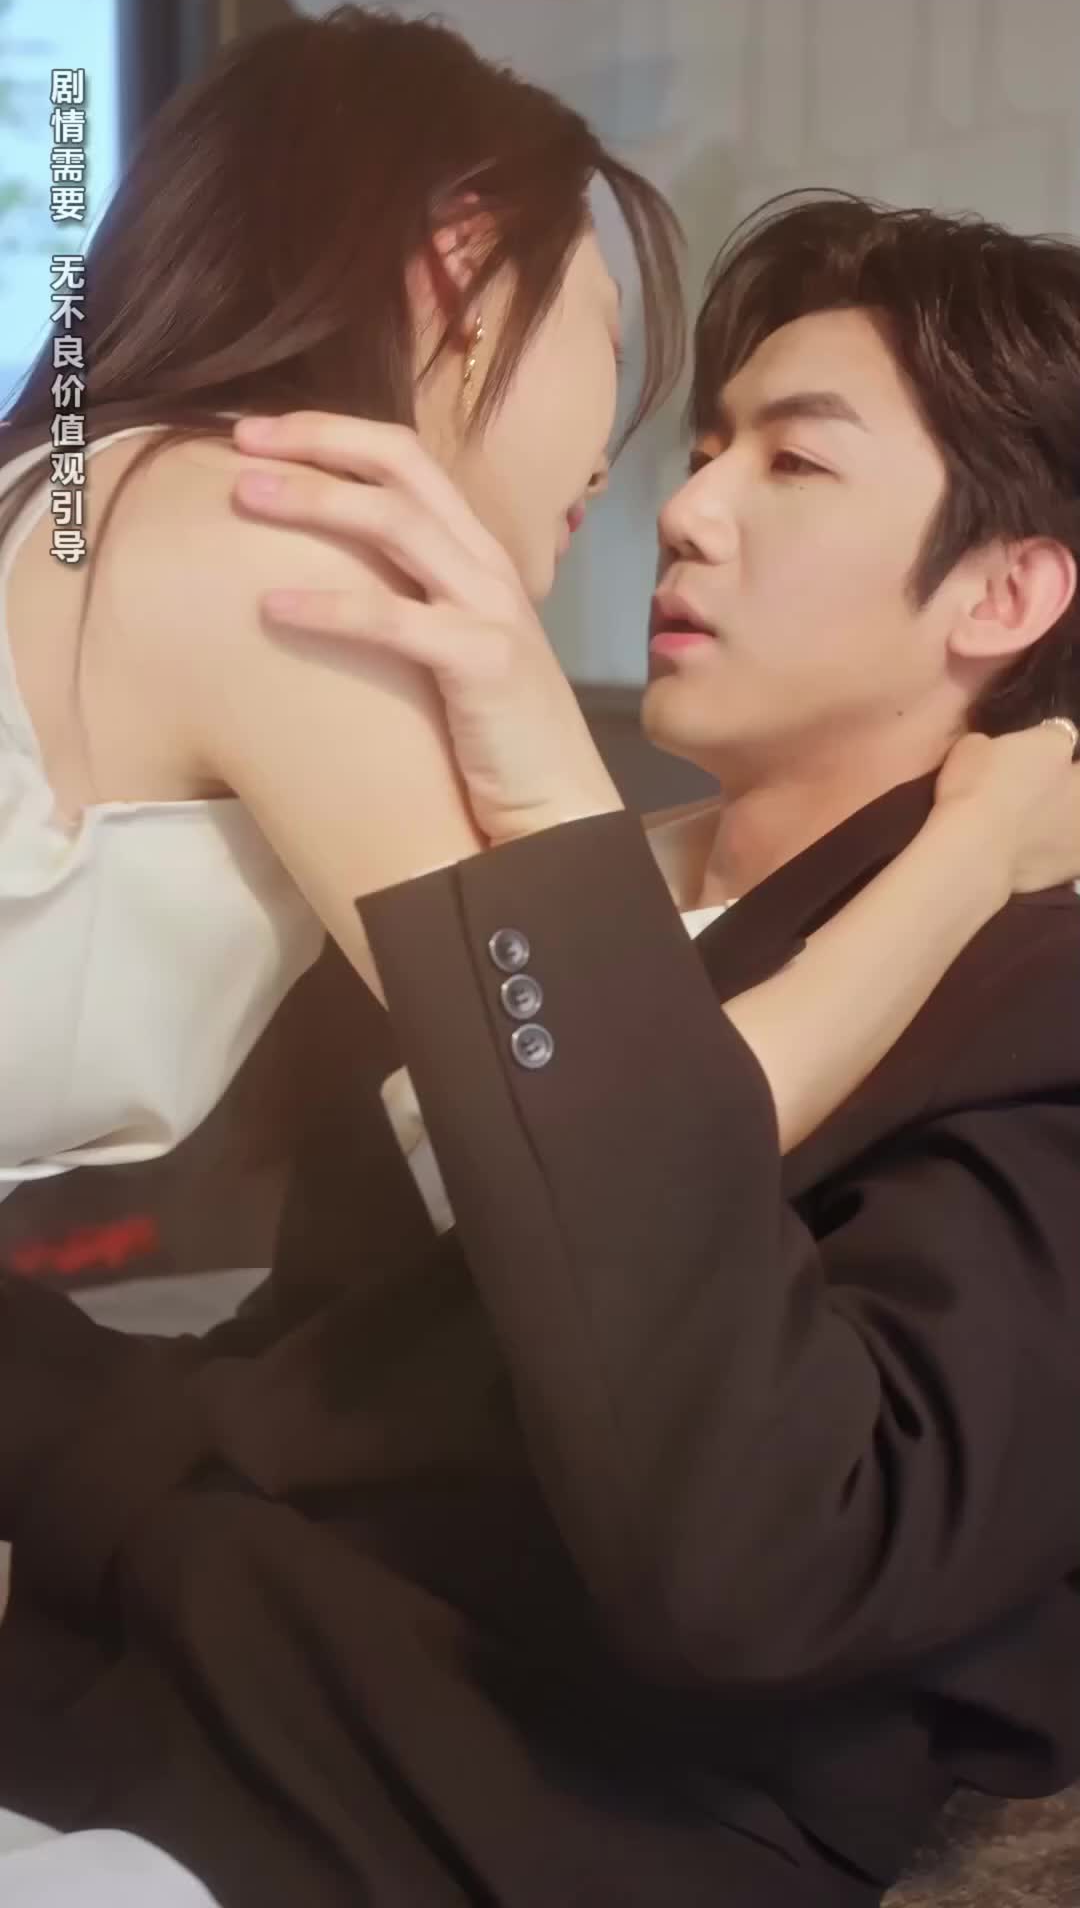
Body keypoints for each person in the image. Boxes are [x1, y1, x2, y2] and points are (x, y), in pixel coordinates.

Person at [2, 176, 1080, 1906]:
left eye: (793, 464)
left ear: (1005, 593)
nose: (687, 510)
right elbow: (304, 1365)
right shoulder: (531, 882)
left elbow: (779, 1558)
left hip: (446, 1829)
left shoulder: (1032, 1000)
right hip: (138, 1679)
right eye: (704, 448)